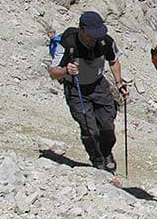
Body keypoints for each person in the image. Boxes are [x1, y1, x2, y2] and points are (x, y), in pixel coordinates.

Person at [48, 11, 129, 173]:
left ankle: (106, 153)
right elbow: (53, 72)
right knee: (89, 128)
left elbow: (113, 61)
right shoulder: (68, 43)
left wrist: (119, 83)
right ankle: (97, 160)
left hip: (99, 85)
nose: (94, 38)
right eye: (91, 35)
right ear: (81, 30)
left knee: (107, 126)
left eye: (97, 34)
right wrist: (65, 70)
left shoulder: (105, 41)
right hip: (76, 89)